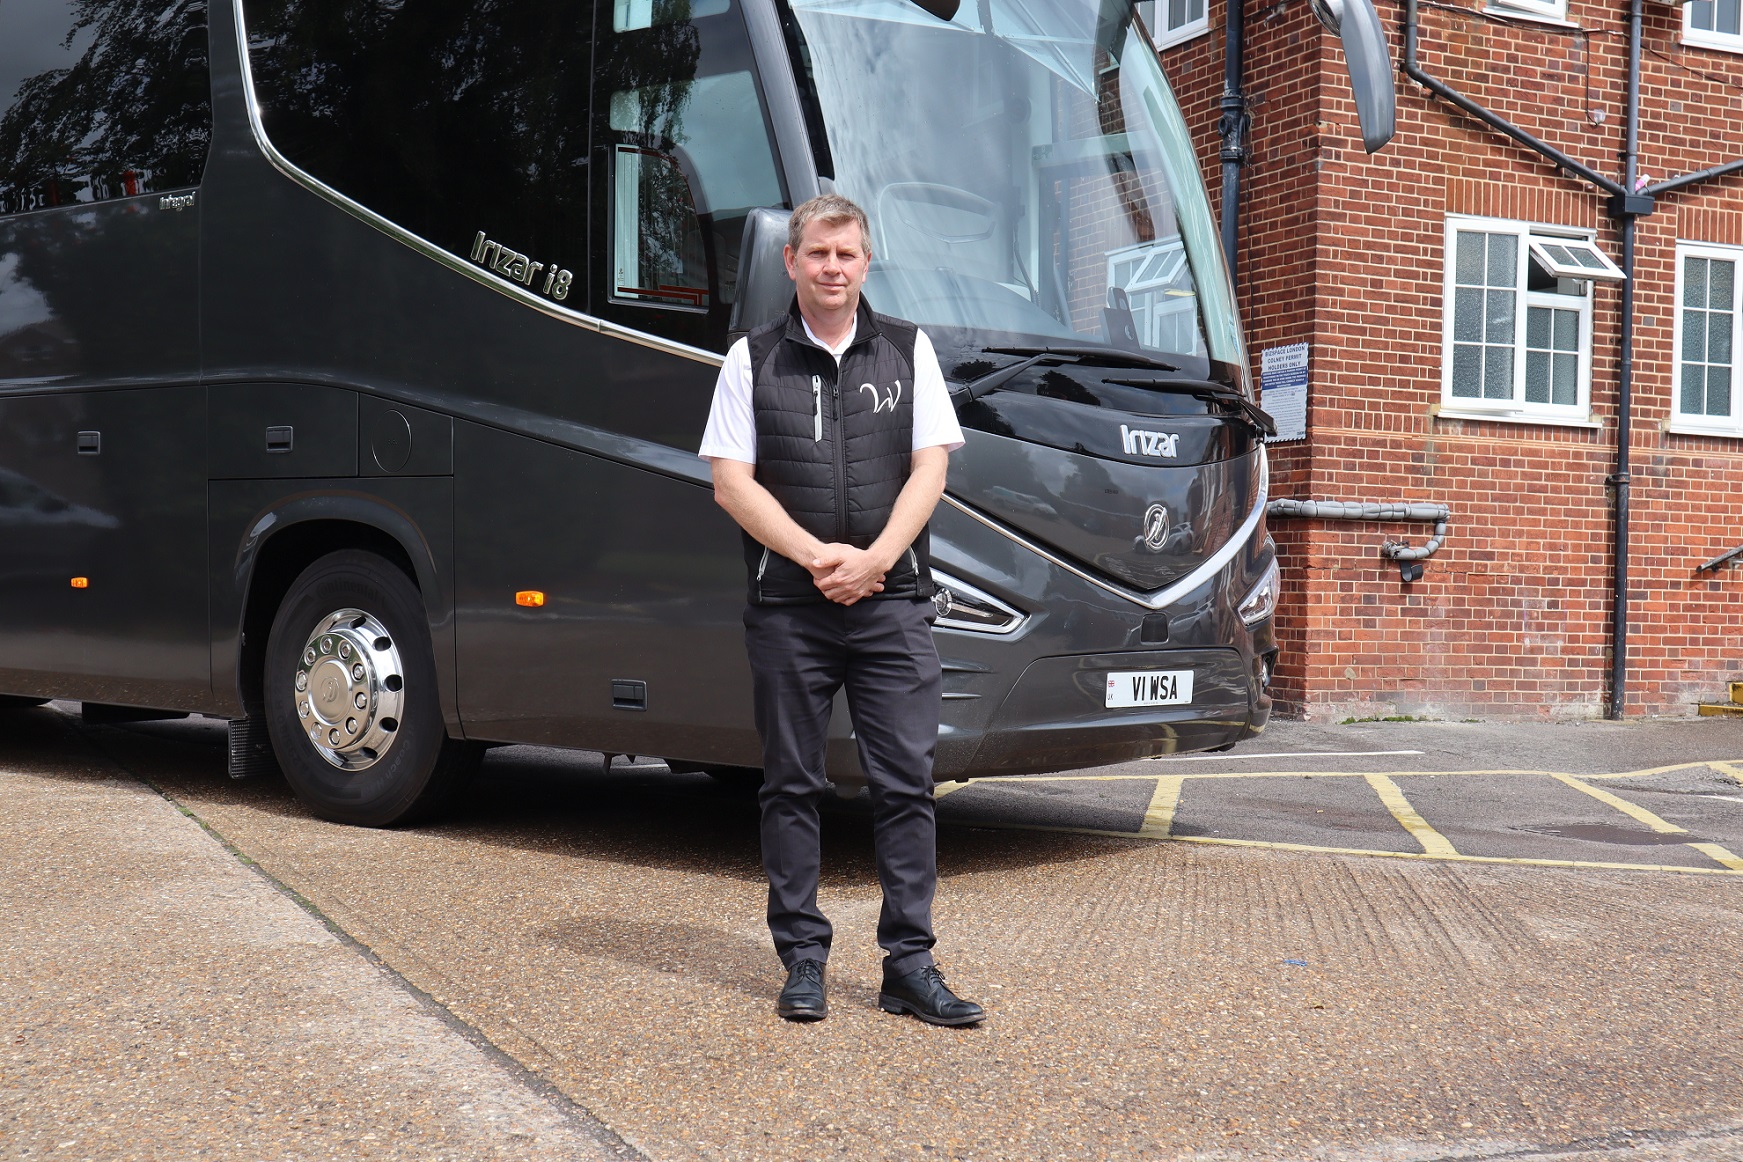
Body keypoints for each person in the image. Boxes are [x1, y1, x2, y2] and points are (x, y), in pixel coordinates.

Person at [698, 194, 984, 1026]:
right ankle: (802, 962)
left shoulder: (906, 349)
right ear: (790, 262)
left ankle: (909, 965)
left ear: (865, 263)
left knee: (906, 785)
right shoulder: (750, 360)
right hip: (789, 606)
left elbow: (930, 470)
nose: (832, 267)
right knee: (790, 783)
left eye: (847, 254)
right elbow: (730, 482)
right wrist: (813, 557)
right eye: (817, 253)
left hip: (890, 605)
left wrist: (877, 560)